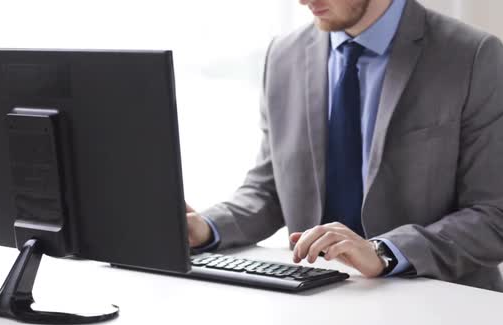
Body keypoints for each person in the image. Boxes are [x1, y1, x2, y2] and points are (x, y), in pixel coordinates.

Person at [186, 0, 503, 292]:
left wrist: (384, 252)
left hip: (443, 303)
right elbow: (268, 191)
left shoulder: (472, 55)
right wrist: (206, 227)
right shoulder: (283, 56)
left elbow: (494, 213)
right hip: (319, 302)